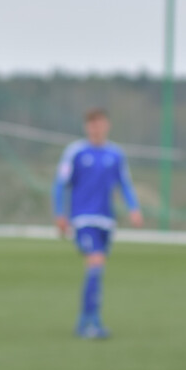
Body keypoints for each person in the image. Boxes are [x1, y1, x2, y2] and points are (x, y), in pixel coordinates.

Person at [51, 107, 143, 338]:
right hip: (83, 219)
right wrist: (59, 214)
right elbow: (60, 184)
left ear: (107, 125)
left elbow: (125, 184)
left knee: (97, 269)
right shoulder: (76, 152)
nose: (96, 128)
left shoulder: (116, 154)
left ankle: (87, 320)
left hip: (106, 220)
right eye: (92, 124)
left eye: (100, 123)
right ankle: (90, 323)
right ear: (86, 127)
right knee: (95, 263)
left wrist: (134, 208)